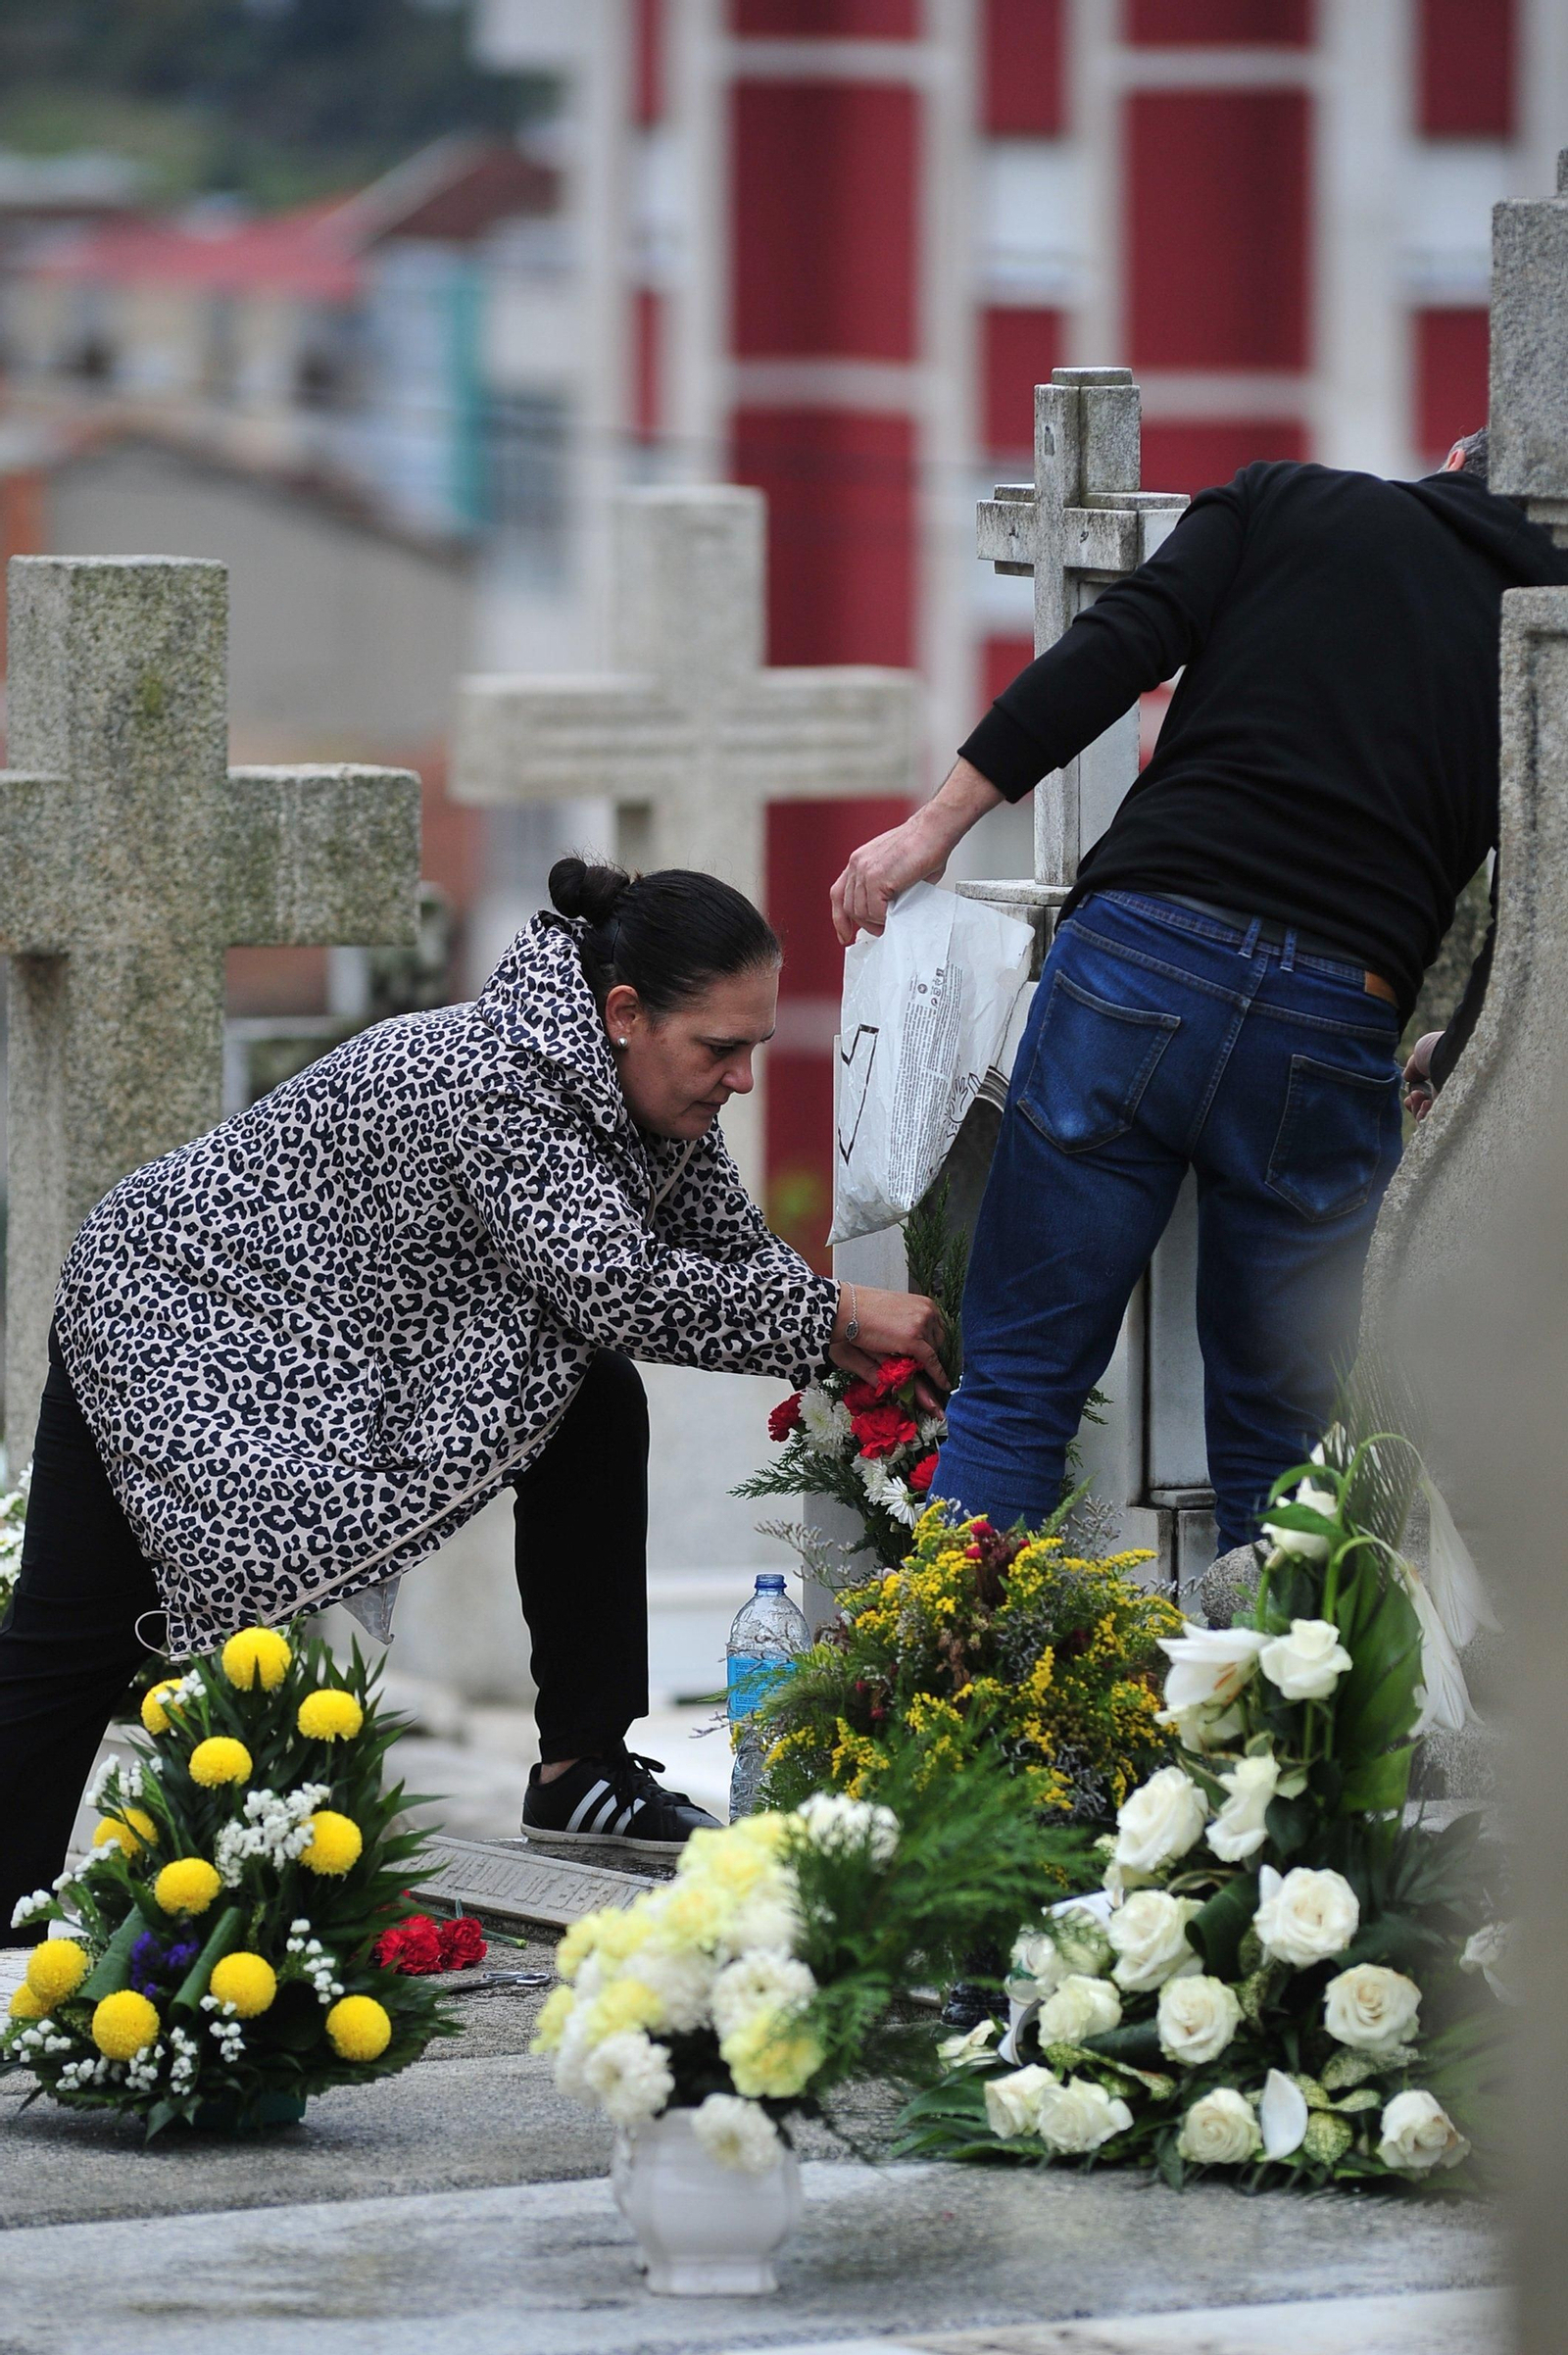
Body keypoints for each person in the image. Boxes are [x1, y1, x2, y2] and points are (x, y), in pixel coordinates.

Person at [0, 859, 944, 1936]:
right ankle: (6, 1893)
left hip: (323, 1327)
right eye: (719, 1049)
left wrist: (862, 1358)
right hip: (171, 1304)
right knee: (77, 1633)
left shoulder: (640, 1090)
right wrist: (838, 1320)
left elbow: (728, 1256)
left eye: (751, 1051)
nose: (738, 1078)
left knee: (592, 1401)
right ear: (624, 1013)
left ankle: (581, 1771)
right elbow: (614, 1285)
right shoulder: (502, 1082)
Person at [832, 430, 1568, 1550]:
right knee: (1283, 1443)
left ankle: (945, 1701)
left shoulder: (1286, 501)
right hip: (1333, 1022)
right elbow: (1543, 884)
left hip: (1138, 961)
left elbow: (1111, 645)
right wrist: (1457, 1052)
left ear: (1464, 447)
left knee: (1020, 1378)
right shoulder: (1549, 627)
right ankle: (1270, 1724)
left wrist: (934, 828)